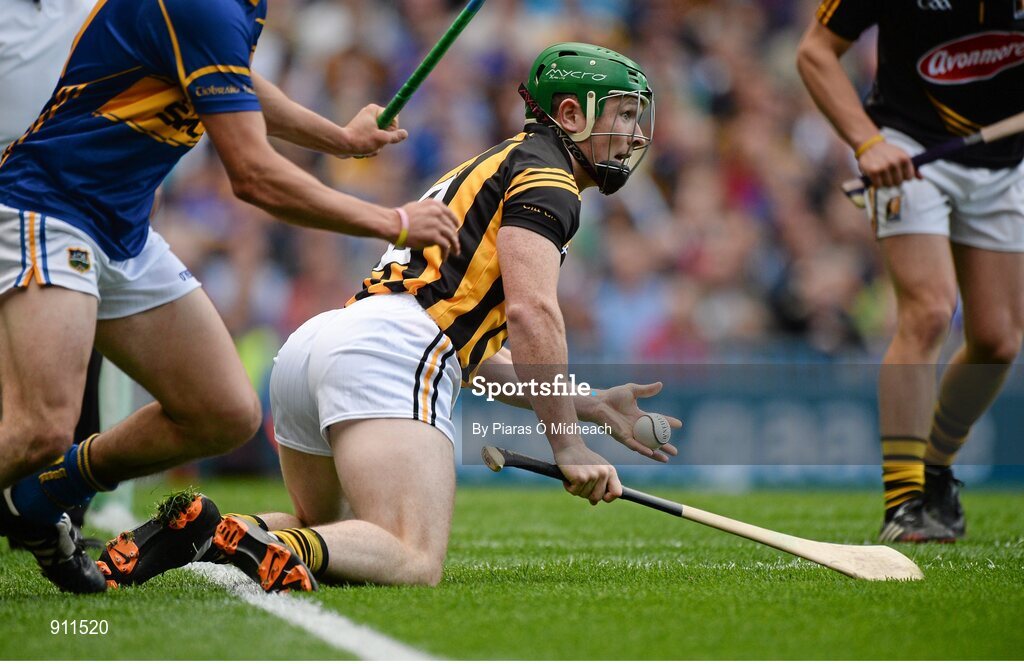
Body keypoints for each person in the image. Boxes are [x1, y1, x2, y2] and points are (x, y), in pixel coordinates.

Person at [96, 42, 680, 592]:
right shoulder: (549, 179)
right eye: (625, 115)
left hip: (321, 346)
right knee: (412, 555)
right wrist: (568, 444)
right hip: (389, 354)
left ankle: (202, 530)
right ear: (572, 115)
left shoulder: (494, 165)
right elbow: (534, 312)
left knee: (330, 527)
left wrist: (587, 404)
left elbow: (469, 355)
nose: (635, 134)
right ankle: (274, 544)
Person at [0, 0, 460, 594]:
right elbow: (254, 175)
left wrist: (340, 138)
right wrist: (392, 221)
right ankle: (39, 493)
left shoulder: (234, 8)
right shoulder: (205, 5)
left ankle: (41, 498)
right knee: (40, 428)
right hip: (48, 208)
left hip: (122, 231)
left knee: (223, 413)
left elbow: (234, 79)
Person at [797, 1, 1024, 541]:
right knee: (929, 312)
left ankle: (935, 470)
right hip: (910, 147)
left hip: (1005, 160)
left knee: (998, 341)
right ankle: (904, 502)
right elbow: (815, 52)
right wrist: (868, 143)